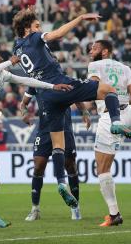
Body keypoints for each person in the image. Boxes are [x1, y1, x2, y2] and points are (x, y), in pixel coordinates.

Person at [12, 8, 131, 209]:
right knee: (109, 90)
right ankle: (116, 123)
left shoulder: (17, 47)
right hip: (61, 85)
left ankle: (61, 183)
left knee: (57, 145)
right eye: (36, 25)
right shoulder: (35, 38)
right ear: (27, 28)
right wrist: (80, 18)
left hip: (46, 96)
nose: (40, 28)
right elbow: (58, 34)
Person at [0, 46, 72, 232]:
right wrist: (10, 61)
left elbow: (26, 80)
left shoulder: (2, 74)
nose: (1, 58)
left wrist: (53, 86)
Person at [88, 40, 131, 227]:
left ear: (105, 52)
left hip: (110, 116)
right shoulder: (125, 67)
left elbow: (92, 88)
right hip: (128, 111)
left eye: (94, 48)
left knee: (102, 170)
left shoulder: (94, 65)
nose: (90, 50)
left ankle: (114, 214)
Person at [21, 87, 90, 221]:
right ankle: (35, 209)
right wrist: (24, 113)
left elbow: (77, 98)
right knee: (38, 166)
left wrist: (85, 112)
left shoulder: (63, 80)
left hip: (64, 129)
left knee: (70, 166)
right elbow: (23, 103)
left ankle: (75, 207)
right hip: (44, 130)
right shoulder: (35, 83)